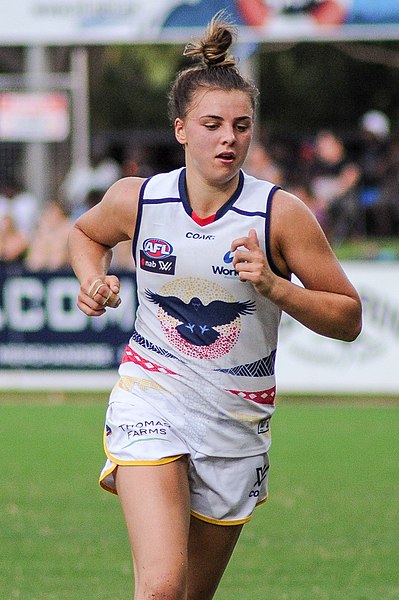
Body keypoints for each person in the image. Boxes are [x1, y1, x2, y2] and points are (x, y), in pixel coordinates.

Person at [68, 12, 362, 600]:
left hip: (237, 422)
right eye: (211, 124)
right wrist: (91, 280)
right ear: (180, 129)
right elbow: (86, 234)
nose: (228, 138)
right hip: (152, 395)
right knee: (160, 587)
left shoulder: (280, 213)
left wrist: (278, 288)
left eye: (241, 125)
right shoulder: (139, 199)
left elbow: (349, 317)